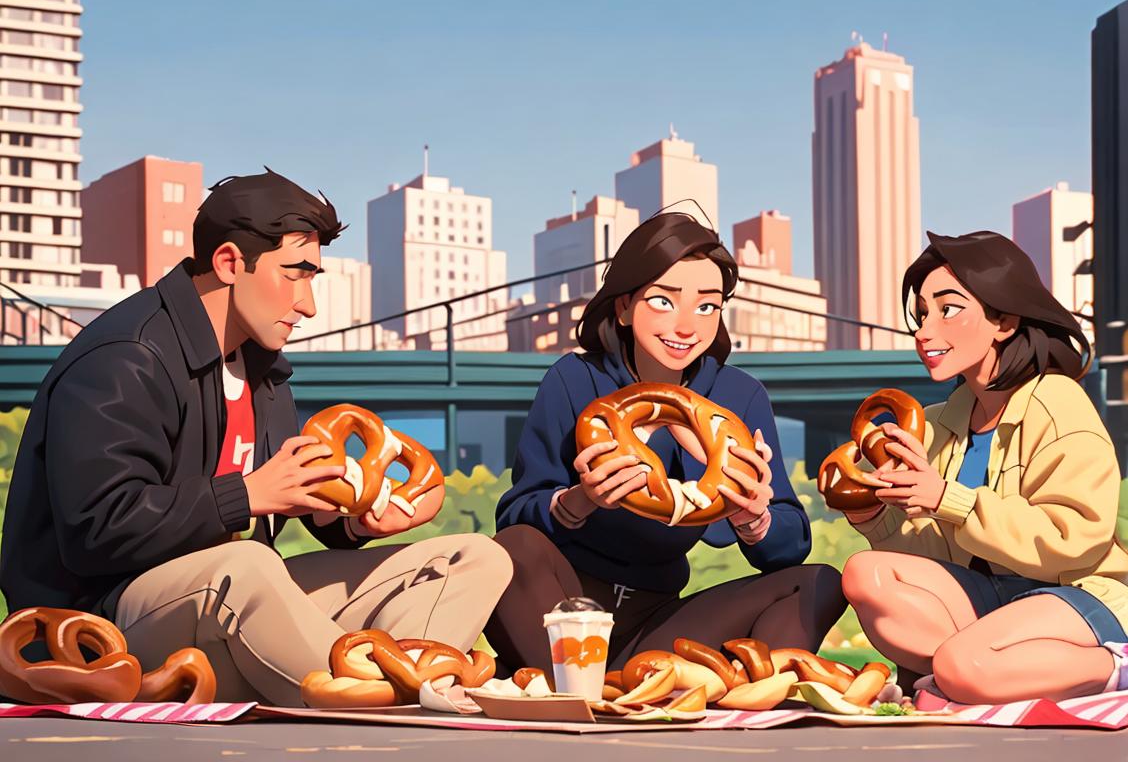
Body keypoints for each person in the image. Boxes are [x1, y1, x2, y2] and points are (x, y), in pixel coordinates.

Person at [0, 169, 512, 706]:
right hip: (108, 624)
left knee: (474, 557)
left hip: (234, 615)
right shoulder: (128, 355)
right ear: (228, 263)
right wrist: (245, 495)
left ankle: (386, 686)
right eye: (296, 274)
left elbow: (281, 497)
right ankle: (396, 695)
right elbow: (95, 530)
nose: (309, 304)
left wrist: (347, 521)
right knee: (248, 566)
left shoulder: (263, 370)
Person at [486, 210, 845, 676]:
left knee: (818, 583)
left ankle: (747, 696)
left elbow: (788, 544)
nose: (685, 326)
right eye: (663, 301)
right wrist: (579, 501)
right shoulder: (574, 380)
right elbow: (515, 514)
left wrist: (753, 517)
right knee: (512, 548)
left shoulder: (738, 396)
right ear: (623, 307)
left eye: (707, 306)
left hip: (659, 621)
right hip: (561, 611)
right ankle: (574, 691)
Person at [840, 230, 1128, 703]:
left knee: (962, 664)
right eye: (921, 314)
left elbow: (1074, 539)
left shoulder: (1056, 400)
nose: (924, 330)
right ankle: (972, 678)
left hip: (1077, 592)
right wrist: (877, 518)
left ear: (1005, 320)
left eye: (948, 309)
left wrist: (945, 497)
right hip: (989, 596)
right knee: (864, 574)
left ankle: (1110, 667)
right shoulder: (936, 423)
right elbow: (933, 553)